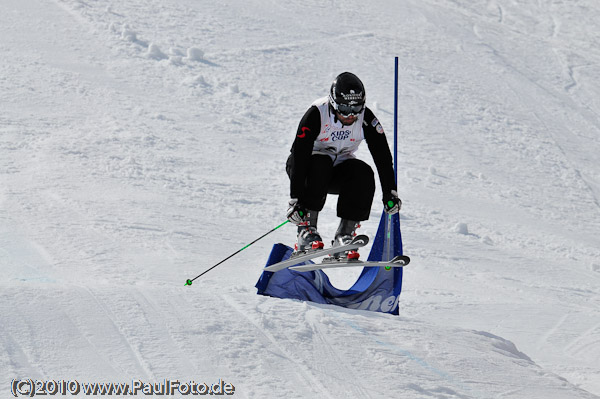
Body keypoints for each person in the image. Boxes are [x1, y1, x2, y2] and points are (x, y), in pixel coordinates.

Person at [286, 72, 401, 259]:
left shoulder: (365, 118)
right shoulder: (317, 113)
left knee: (363, 173)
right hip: (307, 168)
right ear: (332, 103)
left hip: (337, 170)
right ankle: (306, 231)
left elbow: (382, 156)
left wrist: (390, 192)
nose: (350, 115)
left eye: (356, 109)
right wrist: (296, 199)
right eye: (344, 109)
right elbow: (300, 155)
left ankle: (344, 236)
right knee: (320, 163)